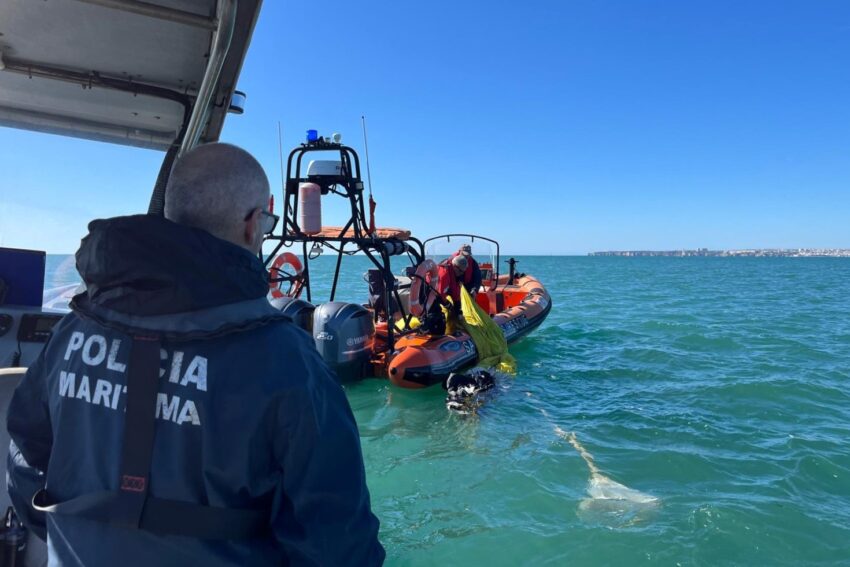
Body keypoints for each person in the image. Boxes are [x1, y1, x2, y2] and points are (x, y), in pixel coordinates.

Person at [6, 143, 385, 566]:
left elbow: (25, 455)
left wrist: (72, 536)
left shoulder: (74, 327)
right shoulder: (287, 359)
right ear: (253, 224)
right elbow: (337, 543)